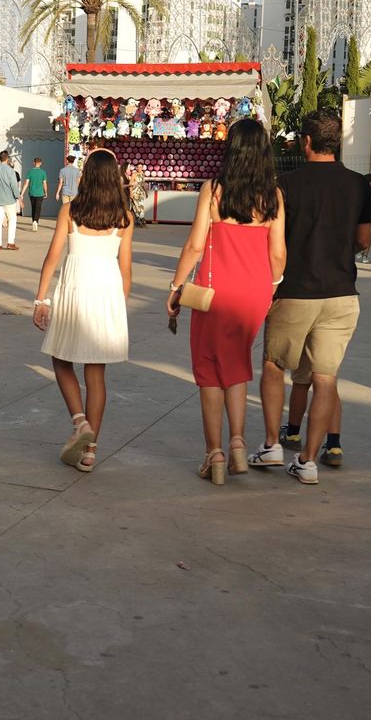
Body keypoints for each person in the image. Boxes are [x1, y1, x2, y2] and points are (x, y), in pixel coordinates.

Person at [251, 111, 371, 482]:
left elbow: (272, 240)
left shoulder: (284, 184)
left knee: (274, 365)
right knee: (326, 378)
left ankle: (273, 444)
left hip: (295, 291)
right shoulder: (357, 185)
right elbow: (364, 240)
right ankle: (307, 461)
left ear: (306, 141)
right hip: (341, 295)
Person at [167, 118, 285, 486]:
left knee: (208, 370)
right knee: (236, 366)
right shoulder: (274, 196)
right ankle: (237, 441)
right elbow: (278, 254)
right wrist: (272, 286)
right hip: (253, 294)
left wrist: (176, 285)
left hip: (213, 294)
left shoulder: (214, 190)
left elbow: (196, 244)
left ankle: (214, 452)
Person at [31, 149, 133, 474]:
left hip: (74, 290)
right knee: (96, 373)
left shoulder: (70, 210)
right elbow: (126, 269)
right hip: (107, 294)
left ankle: (79, 421)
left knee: (61, 360)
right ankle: (90, 452)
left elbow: (52, 257)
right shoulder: (124, 217)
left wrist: (41, 299)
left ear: (86, 175)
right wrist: (120, 305)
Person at [0, 150, 22, 251]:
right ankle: (10, 242)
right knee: (12, 220)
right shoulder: (10, 171)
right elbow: (14, 186)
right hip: (9, 199)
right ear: (7, 159)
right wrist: (18, 197)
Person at [23, 156, 49, 231]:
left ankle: (33, 221)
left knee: (33, 207)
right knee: (38, 208)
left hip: (32, 192)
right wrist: (46, 192)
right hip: (40, 193)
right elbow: (44, 183)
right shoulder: (43, 172)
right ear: (40, 163)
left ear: (33, 163)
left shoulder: (30, 171)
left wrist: (22, 193)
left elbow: (26, 183)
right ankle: (35, 221)